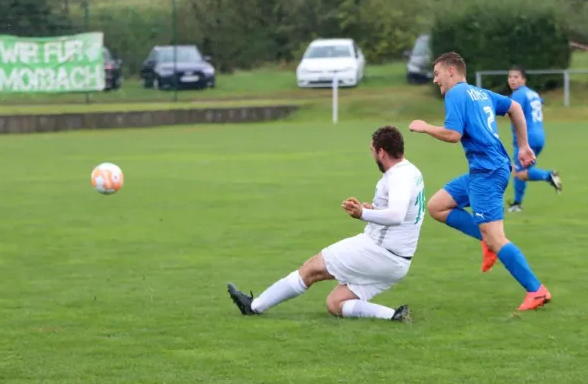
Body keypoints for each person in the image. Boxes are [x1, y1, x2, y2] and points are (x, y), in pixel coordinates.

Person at [227, 126, 425, 322]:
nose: (372, 156)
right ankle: (394, 316)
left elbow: (398, 215)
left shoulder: (398, 177)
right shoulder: (410, 171)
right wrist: (374, 209)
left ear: (382, 152)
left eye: (373, 151)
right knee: (335, 303)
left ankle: (253, 307)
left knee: (312, 268)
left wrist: (363, 213)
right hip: (398, 261)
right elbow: (403, 211)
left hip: (380, 251)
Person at [408, 52, 551, 311]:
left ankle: (536, 290)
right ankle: (486, 240)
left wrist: (425, 127)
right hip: (485, 170)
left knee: (497, 238)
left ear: (451, 71)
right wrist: (523, 146)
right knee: (437, 206)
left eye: (437, 74)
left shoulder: (456, 94)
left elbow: (453, 134)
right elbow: (514, 108)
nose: (435, 80)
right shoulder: (479, 92)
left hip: (487, 173)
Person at [506, 66, 562, 212]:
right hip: (539, 136)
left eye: (516, 77)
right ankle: (517, 204)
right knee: (523, 171)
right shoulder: (533, 93)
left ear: (523, 80)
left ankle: (549, 175)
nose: (512, 80)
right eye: (510, 77)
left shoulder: (518, 94)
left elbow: (510, 112)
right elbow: (539, 104)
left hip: (526, 138)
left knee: (518, 172)